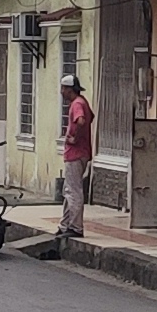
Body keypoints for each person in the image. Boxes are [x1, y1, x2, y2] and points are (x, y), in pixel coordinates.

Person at [57, 70, 97, 238]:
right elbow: (91, 116)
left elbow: (81, 120)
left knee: (73, 190)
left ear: (69, 89)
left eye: (63, 89)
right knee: (68, 189)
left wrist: (76, 137)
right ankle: (65, 225)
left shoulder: (77, 104)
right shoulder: (82, 101)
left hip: (75, 153)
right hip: (80, 152)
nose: (61, 92)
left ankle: (75, 227)